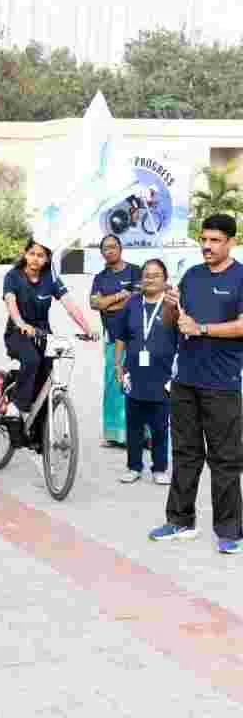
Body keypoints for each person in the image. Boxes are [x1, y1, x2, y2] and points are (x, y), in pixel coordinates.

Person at [150, 214, 243, 553]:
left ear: (230, 241)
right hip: (185, 381)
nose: (206, 246)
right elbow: (171, 323)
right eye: (204, 239)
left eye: (215, 240)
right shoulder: (191, 275)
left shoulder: (240, 277)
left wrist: (202, 328)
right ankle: (179, 521)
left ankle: (230, 531)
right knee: (185, 453)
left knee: (225, 459)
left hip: (223, 383)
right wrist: (172, 308)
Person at [1, 238, 98, 449]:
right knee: (32, 359)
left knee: (48, 371)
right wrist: (20, 324)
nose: (36, 259)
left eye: (41, 255)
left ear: (47, 259)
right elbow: (11, 303)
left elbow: (70, 305)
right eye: (32, 254)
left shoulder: (50, 277)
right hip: (18, 332)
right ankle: (14, 408)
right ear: (25, 254)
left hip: (43, 333)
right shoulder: (13, 276)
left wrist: (87, 329)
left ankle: (38, 427)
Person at [114, 258, 175, 485]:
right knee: (134, 426)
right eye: (146, 275)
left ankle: (160, 468)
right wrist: (118, 365)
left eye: (156, 274)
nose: (150, 278)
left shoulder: (171, 306)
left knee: (160, 427)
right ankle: (133, 466)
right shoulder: (131, 303)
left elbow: (183, 340)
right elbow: (120, 337)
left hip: (163, 377)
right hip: (134, 375)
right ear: (141, 279)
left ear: (165, 279)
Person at [91, 234, 142, 448]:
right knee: (114, 384)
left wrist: (108, 302)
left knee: (141, 382)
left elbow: (137, 301)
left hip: (138, 337)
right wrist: (120, 296)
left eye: (113, 247)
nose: (109, 251)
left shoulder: (136, 271)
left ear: (121, 248)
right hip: (112, 338)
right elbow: (95, 304)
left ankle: (142, 435)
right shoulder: (100, 277)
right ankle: (114, 435)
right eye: (105, 248)